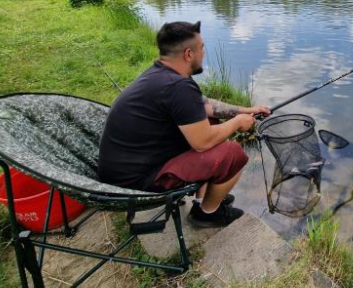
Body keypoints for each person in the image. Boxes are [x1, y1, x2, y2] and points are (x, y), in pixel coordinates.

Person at [98, 21, 270, 228]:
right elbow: (202, 142)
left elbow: (205, 105)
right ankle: (207, 213)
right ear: (188, 54)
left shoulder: (162, 75)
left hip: (130, 167)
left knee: (211, 122)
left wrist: (244, 111)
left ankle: (201, 199)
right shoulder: (177, 86)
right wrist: (236, 123)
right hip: (136, 183)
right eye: (202, 48)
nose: (204, 53)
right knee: (233, 153)